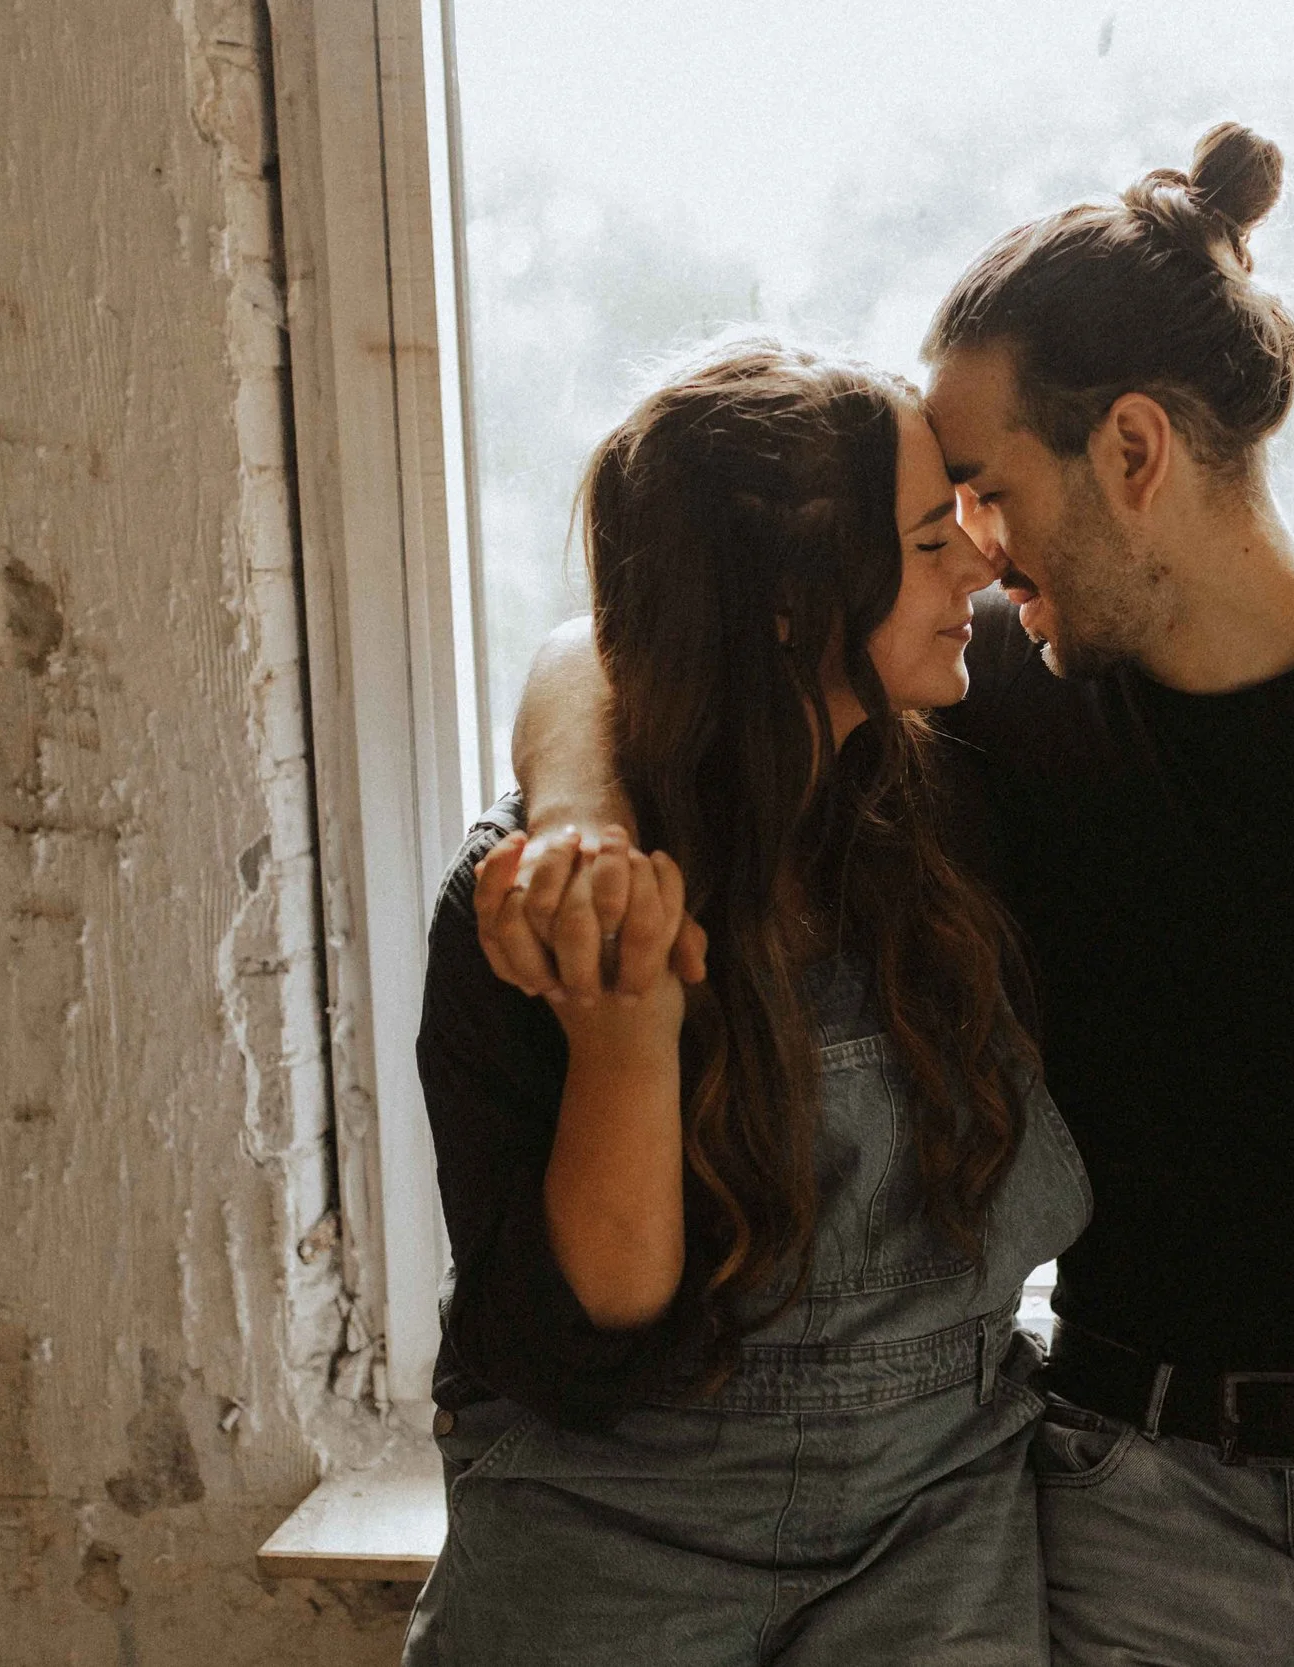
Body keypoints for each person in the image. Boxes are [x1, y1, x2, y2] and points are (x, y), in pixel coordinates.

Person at [499, 123, 1294, 1667]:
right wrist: (576, 819)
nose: (969, 553)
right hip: (1138, 1505)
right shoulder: (995, 702)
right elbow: (613, 649)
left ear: (1132, 452)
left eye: (984, 491)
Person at [403, 341, 1090, 1666]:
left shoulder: (956, 786)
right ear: (786, 600)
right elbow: (591, 1319)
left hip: (927, 1517)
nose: (979, 568)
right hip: (614, 1521)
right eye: (929, 537)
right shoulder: (536, 909)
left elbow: (574, 648)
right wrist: (627, 1035)